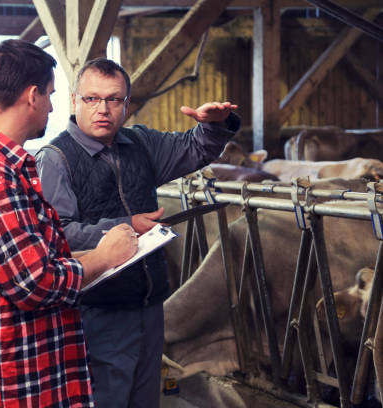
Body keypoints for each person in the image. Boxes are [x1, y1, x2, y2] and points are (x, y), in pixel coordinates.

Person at [35, 57, 240, 407]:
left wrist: (215, 126)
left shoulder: (140, 144)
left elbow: (194, 148)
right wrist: (125, 227)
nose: (103, 109)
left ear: (126, 104)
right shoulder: (55, 158)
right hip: (98, 311)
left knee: (146, 400)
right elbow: (58, 236)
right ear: (74, 100)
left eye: (114, 99)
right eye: (92, 98)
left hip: (149, 305)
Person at [0, 41, 139, 408]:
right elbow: (33, 282)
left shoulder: (0, 164)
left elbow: (32, 259)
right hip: (10, 382)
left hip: (21, 371)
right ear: (32, 96)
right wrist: (104, 257)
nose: (52, 105)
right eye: (49, 94)